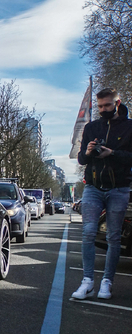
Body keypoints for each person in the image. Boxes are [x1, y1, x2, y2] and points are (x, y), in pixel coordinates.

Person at [72, 88, 132, 300]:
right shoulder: (91, 127)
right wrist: (88, 152)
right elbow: (81, 160)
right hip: (93, 188)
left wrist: (112, 153)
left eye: (107, 105)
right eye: (99, 106)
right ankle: (87, 281)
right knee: (88, 233)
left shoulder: (129, 127)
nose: (103, 109)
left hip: (119, 188)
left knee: (113, 236)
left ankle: (107, 281)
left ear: (117, 103)